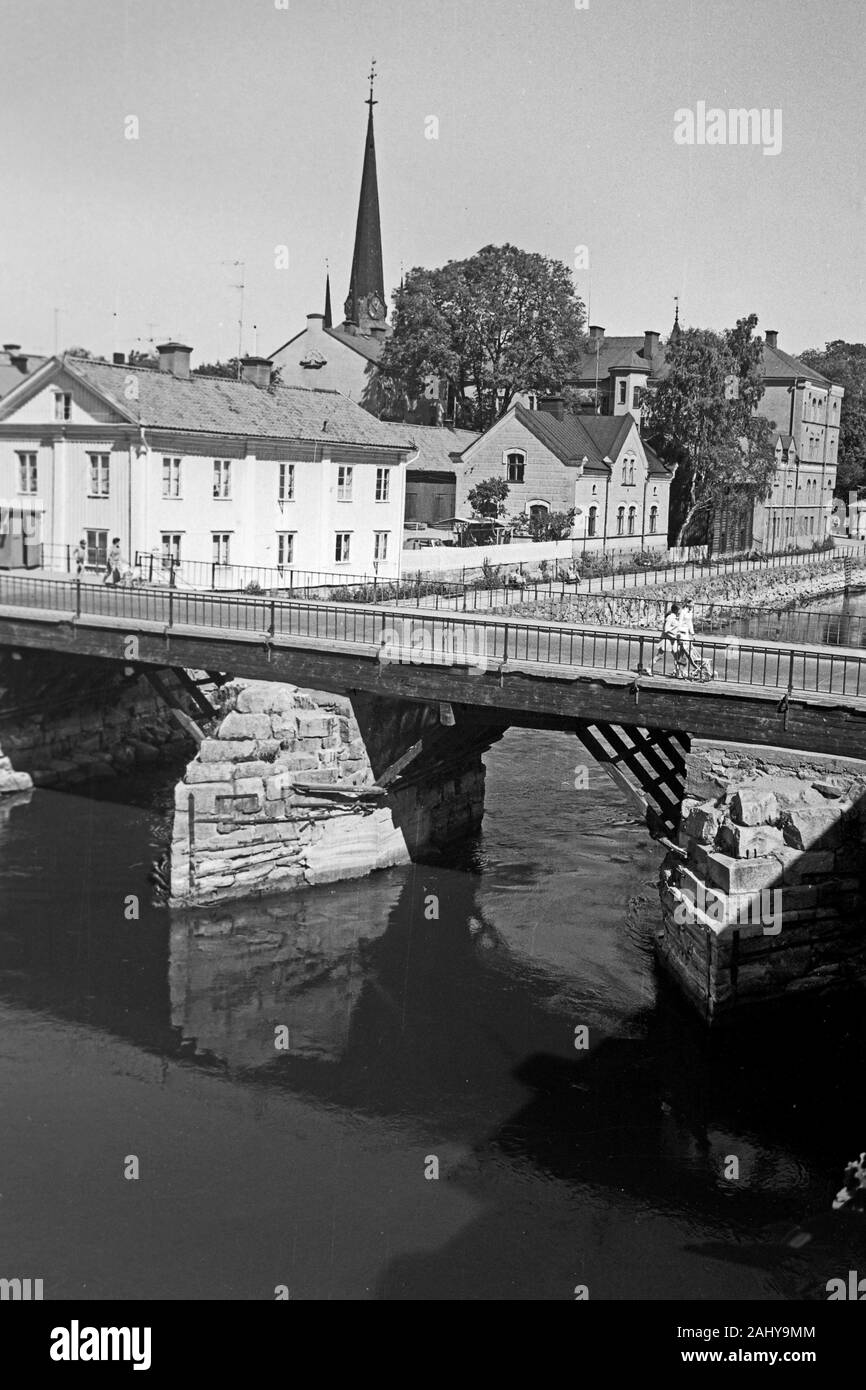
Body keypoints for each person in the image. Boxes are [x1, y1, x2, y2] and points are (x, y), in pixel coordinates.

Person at [649, 603, 680, 672]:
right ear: (676, 610)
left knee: (677, 655)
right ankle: (649, 667)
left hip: (673, 640)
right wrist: (674, 633)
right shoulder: (670, 617)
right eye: (679, 610)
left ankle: (677, 671)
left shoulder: (676, 618)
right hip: (667, 639)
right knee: (660, 655)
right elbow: (666, 629)